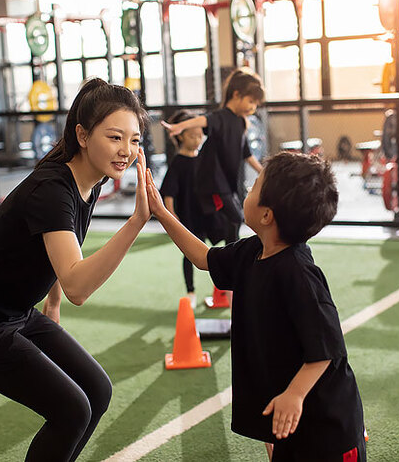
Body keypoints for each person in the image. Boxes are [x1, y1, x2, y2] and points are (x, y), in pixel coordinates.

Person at [0, 78, 150, 462]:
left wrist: (53, 305)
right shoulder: (52, 189)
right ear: (82, 135)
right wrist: (135, 223)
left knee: (97, 391)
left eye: (134, 140)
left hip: (14, 312)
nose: (126, 152)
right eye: (115, 138)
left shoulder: (90, 180)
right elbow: (79, 284)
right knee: (72, 410)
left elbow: (61, 247)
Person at [145, 152, 367, 462]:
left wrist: (295, 395)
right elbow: (204, 258)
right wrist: (161, 212)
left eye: (254, 187)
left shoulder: (299, 274)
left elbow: (328, 350)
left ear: (267, 216)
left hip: (327, 427)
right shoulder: (254, 251)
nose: (246, 189)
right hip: (290, 420)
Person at [161, 68, 265, 245]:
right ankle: (232, 254)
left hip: (227, 184)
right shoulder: (222, 117)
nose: (253, 107)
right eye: (250, 101)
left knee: (232, 221)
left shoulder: (241, 123)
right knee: (236, 217)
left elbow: (247, 154)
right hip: (214, 184)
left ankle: (230, 252)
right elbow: (203, 120)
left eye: (256, 104)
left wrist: (264, 172)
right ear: (236, 94)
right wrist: (180, 126)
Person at [159, 110, 210, 305]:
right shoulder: (178, 163)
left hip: (207, 214)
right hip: (189, 217)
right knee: (190, 255)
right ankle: (191, 291)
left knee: (216, 249)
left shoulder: (203, 159)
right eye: (192, 136)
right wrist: (172, 218)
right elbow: (168, 194)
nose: (197, 140)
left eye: (199, 136)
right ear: (180, 136)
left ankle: (222, 289)